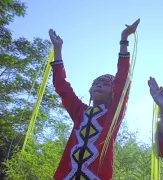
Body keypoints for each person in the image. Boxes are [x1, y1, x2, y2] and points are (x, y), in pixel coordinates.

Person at [49, 18, 140, 180]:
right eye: (95, 84)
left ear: (113, 92)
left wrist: (124, 39)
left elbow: (122, 79)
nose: (98, 86)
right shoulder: (80, 112)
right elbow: (62, 86)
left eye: (104, 84)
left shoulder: (113, 113)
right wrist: (58, 49)